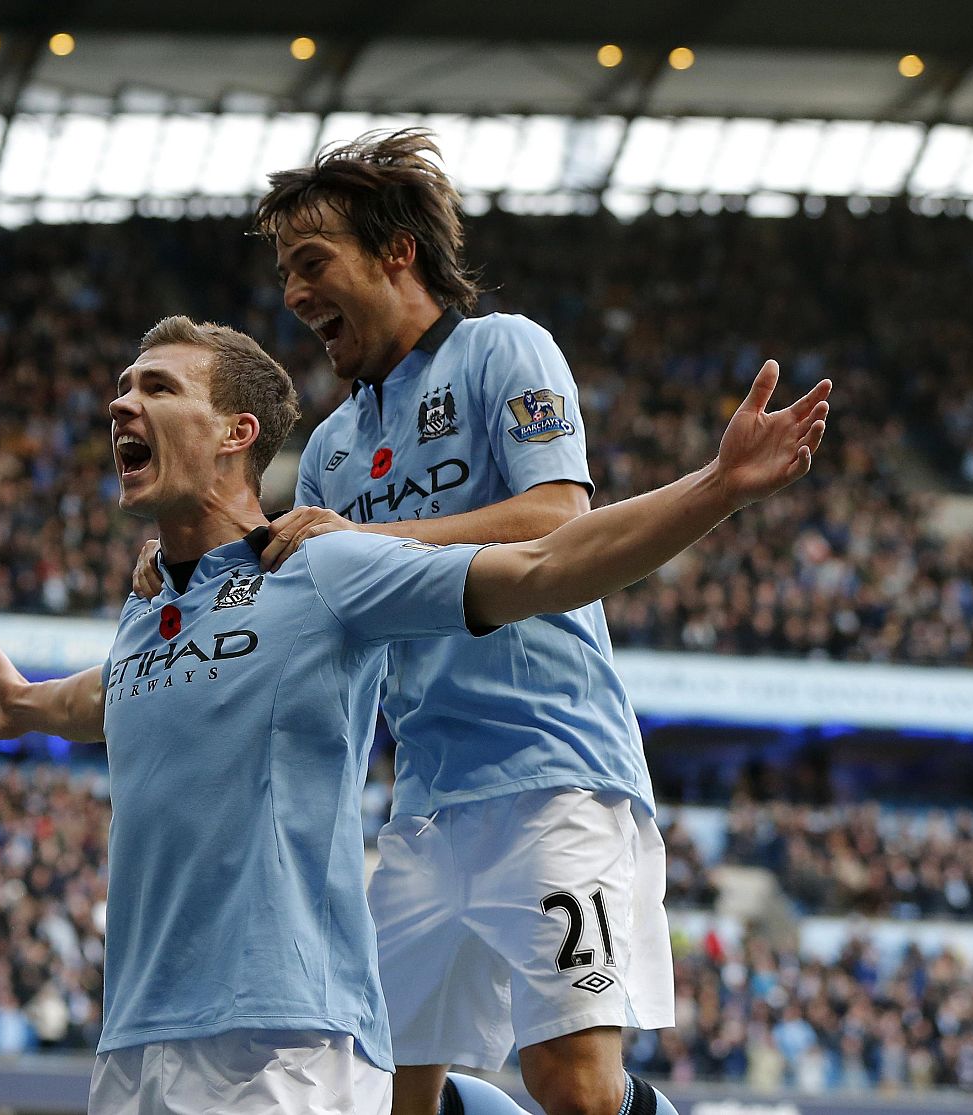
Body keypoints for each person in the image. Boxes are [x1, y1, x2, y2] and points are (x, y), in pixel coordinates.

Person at [0, 314, 830, 1113]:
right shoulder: (150, 607)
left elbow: (539, 570)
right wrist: (27, 704)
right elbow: (113, 691)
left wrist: (719, 486)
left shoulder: (324, 569)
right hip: (135, 1040)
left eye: (156, 386)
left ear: (236, 433)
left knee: (574, 1087)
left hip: (283, 1039)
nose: (121, 401)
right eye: (123, 384)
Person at [131, 129, 685, 1115]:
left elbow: (560, 518)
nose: (296, 295)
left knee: (574, 1084)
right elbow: (312, 577)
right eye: (287, 272)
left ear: (396, 252)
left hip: (558, 769)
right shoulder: (335, 445)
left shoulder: (499, 349)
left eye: (312, 263)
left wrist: (373, 535)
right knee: (390, 1094)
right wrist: (188, 570)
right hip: (427, 802)